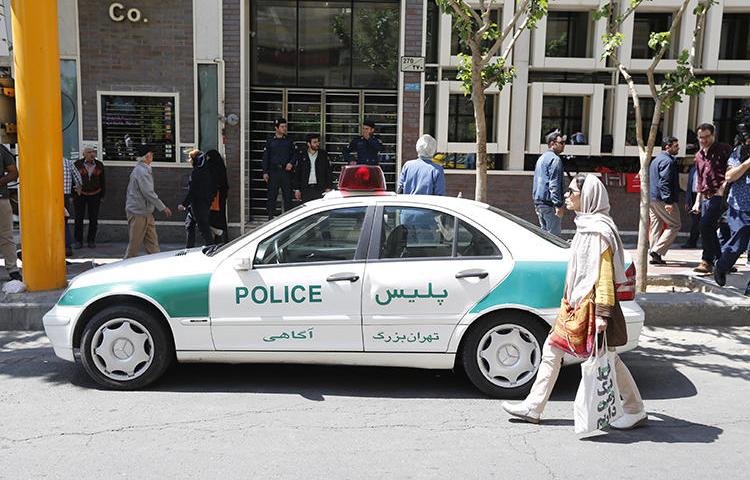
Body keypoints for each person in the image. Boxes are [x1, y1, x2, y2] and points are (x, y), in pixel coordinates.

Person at [502, 174, 646, 429]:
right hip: (577, 305)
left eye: (572, 191)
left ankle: (634, 408)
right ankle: (534, 406)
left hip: (592, 307)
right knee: (554, 349)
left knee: (605, 357)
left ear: (587, 196)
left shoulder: (598, 231)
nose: (567, 196)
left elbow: (603, 276)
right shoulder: (586, 225)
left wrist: (602, 315)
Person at [692, 123, 733, 273]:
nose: (703, 140)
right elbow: (700, 180)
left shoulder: (724, 149)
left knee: (705, 225)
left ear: (713, 135)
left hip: (721, 195)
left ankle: (707, 260)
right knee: (706, 227)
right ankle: (722, 262)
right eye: (701, 138)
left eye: (706, 137)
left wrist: (722, 190)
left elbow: (732, 170)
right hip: (706, 197)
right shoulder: (698, 156)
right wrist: (697, 201)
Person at [714, 139, 750, 294]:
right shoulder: (740, 152)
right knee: (738, 244)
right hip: (741, 206)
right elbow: (729, 176)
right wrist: (747, 163)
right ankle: (721, 266)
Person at [124, 144, 172, 258]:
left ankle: (157, 263)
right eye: (151, 154)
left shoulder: (143, 169)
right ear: (147, 156)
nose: (153, 156)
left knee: (152, 243)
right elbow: (148, 192)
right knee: (134, 245)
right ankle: (124, 266)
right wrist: (163, 207)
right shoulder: (142, 171)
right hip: (138, 212)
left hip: (145, 212)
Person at [648, 136, 681, 264]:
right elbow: (664, 182)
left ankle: (655, 255)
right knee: (675, 224)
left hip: (653, 198)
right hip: (662, 199)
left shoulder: (656, 160)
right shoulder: (668, 161)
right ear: (667, 146)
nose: (678, 148)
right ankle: (657, 250)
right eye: (676, 146)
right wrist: (668, 201)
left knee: (656, 226)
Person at [178, 150, 217, 248]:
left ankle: (211, 248)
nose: (190, 161)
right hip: (202, 204)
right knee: (189, 225)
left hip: (198, 205)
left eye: (191, 159)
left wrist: (184, 204)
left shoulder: (197, 173)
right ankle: (189, 248)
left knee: (204, 229)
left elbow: (193, 191)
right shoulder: (209, 172)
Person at [532, 131, 565, 236]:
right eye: (561, 142)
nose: (564, 145)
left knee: (545, 237)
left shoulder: (541, 158)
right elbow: (554, 183)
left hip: (539, 203)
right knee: (554, 238)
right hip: (549, 204)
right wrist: (558, 205)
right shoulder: (555, 159)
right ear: (552, 143)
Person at [262, 117, 296, 219]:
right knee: (272, 196)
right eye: (282, 126)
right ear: (276, 128)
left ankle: (288, 219)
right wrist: (265, 172)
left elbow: (294, 154)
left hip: (286, 172)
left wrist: (291, 163)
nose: (284, 128)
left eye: (285, 126)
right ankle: (270, 217)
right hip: (274, 171)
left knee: (288, 196)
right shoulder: (270, 140)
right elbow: (265, 157)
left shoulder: (289, 140)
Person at [73, 146, 105, 248]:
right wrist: (72, 194)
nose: (92, 154)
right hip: (80, 195)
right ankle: (78, 241)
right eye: (89, 152)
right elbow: (73, 179)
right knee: (78, 218)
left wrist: (102, 195)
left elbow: (103, 181)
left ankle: (91, 240)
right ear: (84, 154)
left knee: (93, 218)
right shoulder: (77, 164)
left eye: (93, 152)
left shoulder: (99, 165)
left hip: (95, 194)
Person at [0, 145, 20, 281]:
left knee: (6, 235)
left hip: (1, 198)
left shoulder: (1, 149)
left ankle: (13, 270)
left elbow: (14, 173)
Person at [293, 133, 332, 203]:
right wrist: (297, 189)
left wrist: (328, 187)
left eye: (318, 142)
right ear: (308, 144)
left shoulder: (323, 154)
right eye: (314, 142)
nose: (317, 144)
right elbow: (298, 173)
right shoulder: (302, 155)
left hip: (320, 188)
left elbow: (328, 172)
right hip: (306, 188)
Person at [205, 149, 229, 244]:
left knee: (212, 219)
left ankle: (219, 237)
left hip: (215, 197)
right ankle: (222, 240)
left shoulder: (212, 168)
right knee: (220, 218)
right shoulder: (221, 167)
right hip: (221, 197)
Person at [62, 156, 83, 256]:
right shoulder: (68, 162)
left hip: (50, 195)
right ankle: (67, 247)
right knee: (64, 221)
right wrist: (77, 190)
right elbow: (78, 178)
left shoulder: (46, 162)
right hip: (65, 195)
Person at [682, 163, 700, 248]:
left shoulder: (707, 168)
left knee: (700, 222)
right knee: (695, 221)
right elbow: (689, 186)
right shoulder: (693, 169)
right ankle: (692, 242)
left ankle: (693, 241)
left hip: (704, 196)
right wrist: (687, 201)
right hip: (693, 196)